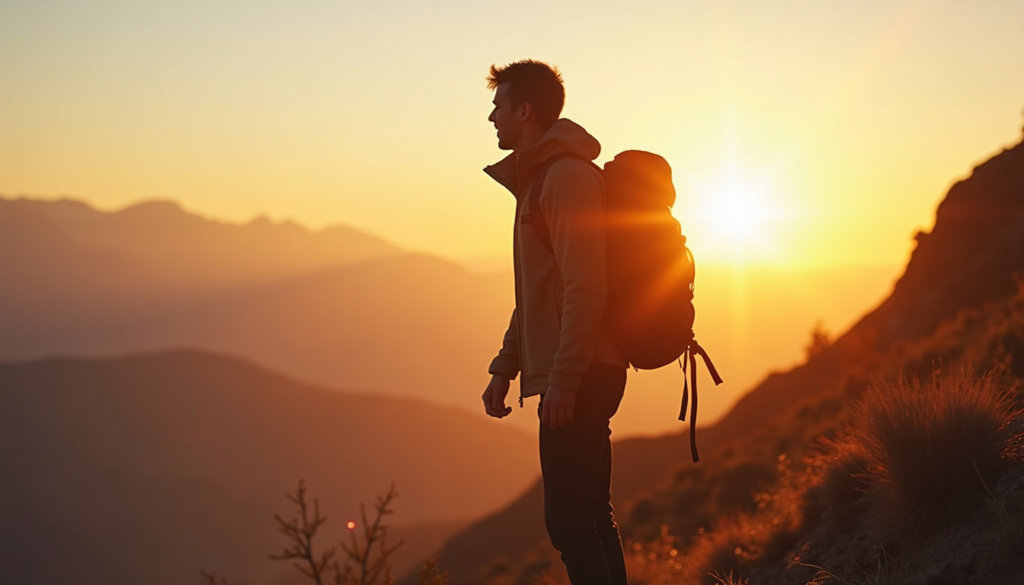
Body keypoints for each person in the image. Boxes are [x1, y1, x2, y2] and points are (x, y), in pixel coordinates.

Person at [480, 59, 629, 585]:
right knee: (590, 516)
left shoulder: (565, 178)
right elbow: (537, 293)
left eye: (499, 106)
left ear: (525, 110)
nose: (491, 117)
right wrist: (507, 366)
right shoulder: (540, 179)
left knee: (569, 524)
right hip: (580, 367)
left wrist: (565, 378)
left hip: (583, 371)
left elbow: (586, 286)